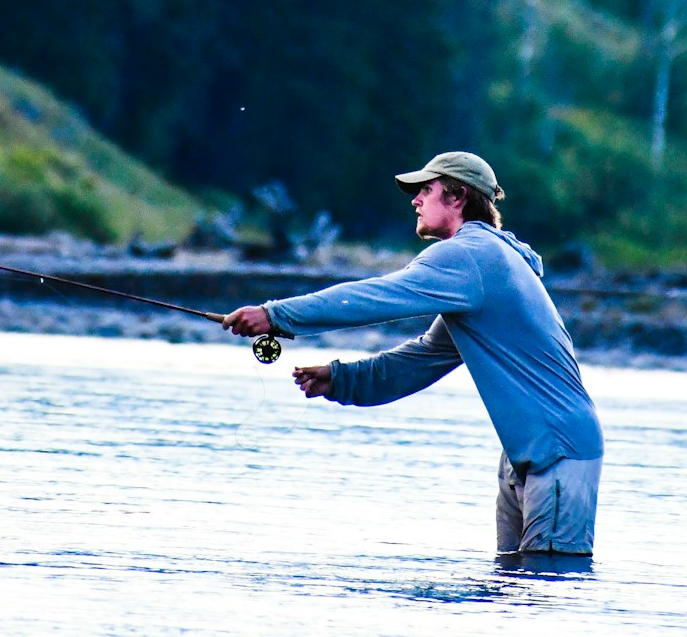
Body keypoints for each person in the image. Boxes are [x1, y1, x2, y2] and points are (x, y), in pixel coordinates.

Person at [222, 151, 604, 561]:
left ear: (457, 198)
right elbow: (422, 359)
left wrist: (275, 315)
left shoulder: (470, 255)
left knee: (548, 589)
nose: (415, 200)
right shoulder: (486, 262)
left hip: (559, 451)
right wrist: (343, 380)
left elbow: (380, 296)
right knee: (511, 590)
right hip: (528, 453)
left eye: (426, 190)